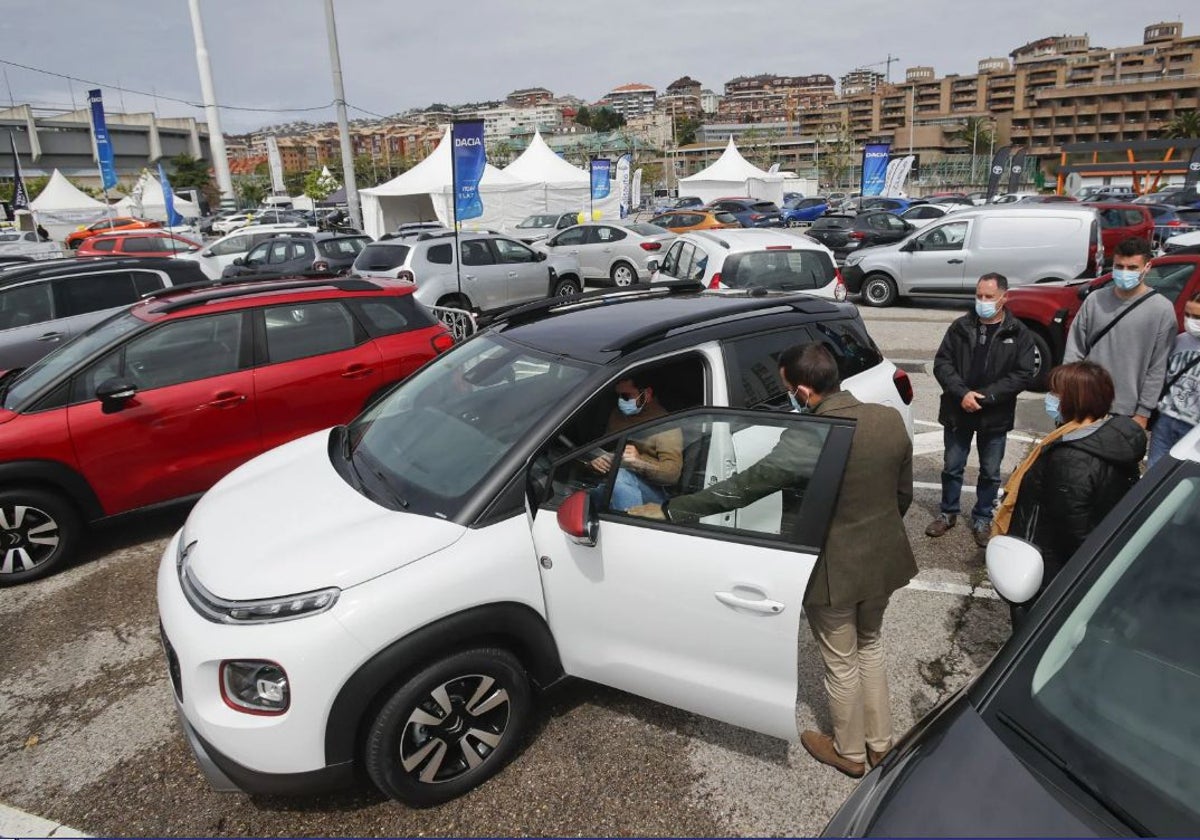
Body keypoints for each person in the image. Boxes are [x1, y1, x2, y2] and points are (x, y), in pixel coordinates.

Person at [629, 343, 915, 779]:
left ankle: (850, 752)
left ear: (803, 391)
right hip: (885, 557)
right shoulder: (888, 419)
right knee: (870, 645)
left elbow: (746, 487)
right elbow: (902, 494)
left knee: (840, 659)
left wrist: (673, 510)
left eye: (788, 390)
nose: (789, 398)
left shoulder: (811, 437)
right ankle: (881, 744)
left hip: (836, 568)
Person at [1002, 362, 1145, 603]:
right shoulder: (1107, 433)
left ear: (1076, 400)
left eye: (1056, 394)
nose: (1050, 399)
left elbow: (1073, 527)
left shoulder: (1070, 458)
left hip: (1051, 568)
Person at [927, 273, 1036, 546]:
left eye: (989, 297)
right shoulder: (960, 327)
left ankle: (982, 518)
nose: (983, 302)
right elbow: (942, 363)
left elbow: (1023, 374)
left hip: (994, 414)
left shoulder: (1018, 332)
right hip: (958, 409)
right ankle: (948, 512)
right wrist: (962, 393)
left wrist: (986, 397)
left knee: (990, 472)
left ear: (1003, 298)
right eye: (979, 296)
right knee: (952, 466)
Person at [1063, 237, 1177, 429]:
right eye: (1119, 266)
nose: (1125, 272)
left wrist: (1143, 412)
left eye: (1132, 268)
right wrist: (1067, 391)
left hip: (1126, 411)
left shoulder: (1162, 310)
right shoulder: (1095, 300)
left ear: (1147, 267)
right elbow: (1075, 349)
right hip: (1086, 400)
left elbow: (1157, 367)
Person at [590, 375, 682, 511]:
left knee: (621, 477)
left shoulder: (666, 425)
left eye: (627, 396)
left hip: (655, 492)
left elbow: (672, 475)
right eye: (619, 396)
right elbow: (605, 447)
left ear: (647, 393)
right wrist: (596, 461)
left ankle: (627, 524)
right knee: (587, 496)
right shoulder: (617, 415)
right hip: (613, 481)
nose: (622, 401)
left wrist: (640, 462)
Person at [1148, 291, 1200, 467]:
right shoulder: (1179, 341)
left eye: (1197, 316)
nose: (1191, 321)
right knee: (1154, 473)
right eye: (1187, 315)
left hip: (1194, 429)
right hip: (1166, 420)